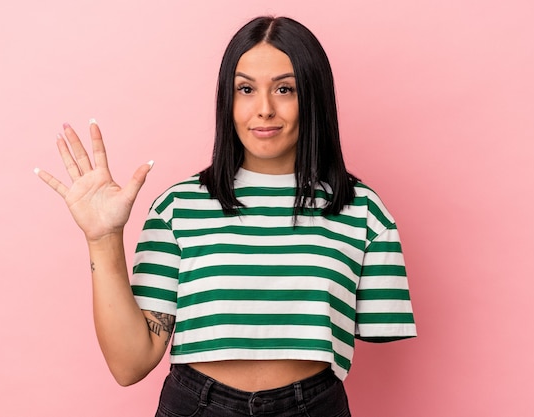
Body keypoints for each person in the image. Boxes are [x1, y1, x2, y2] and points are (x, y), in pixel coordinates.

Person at [36, 15, 416, 417]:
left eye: (285, 89)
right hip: (196, 405)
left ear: (314, 97)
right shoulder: (177, 208)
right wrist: (102, 238)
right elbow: (130, 364)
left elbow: (379, 328)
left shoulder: (363, 212)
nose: (264, 109)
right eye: (246, 89)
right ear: (227, 99)